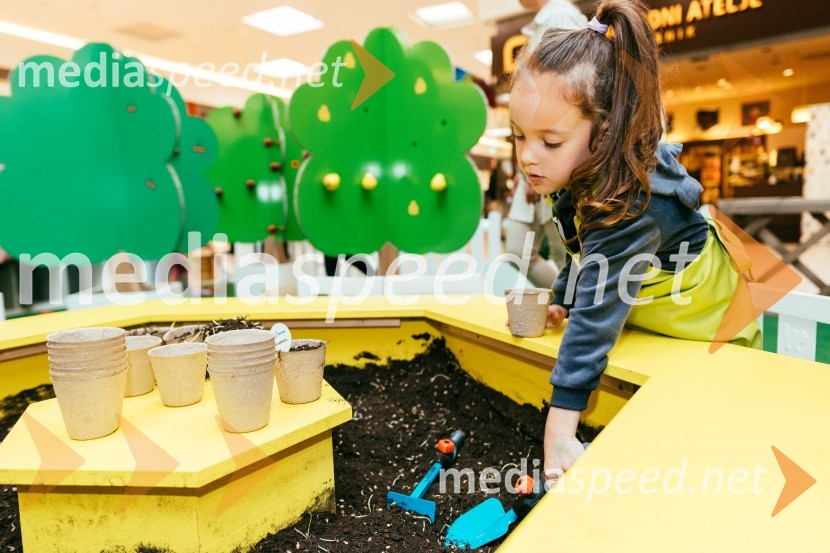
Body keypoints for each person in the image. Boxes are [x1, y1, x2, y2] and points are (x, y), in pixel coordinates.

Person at [508, 0, 761, 486]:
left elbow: (597, 317)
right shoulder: (581, 174)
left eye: (550, 141)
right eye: (518, 136)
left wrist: (560, 426)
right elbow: (581, 247)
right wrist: (562, 297)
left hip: (715, 334)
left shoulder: (633, 204)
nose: (528, 156)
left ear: (602, 133)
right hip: (666, 324)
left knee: (696, 459)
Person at [505, 0, 587, 288]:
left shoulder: (559, 15)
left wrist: (539, 155)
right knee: (525, 251)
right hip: (542, 155)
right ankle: (563, 302)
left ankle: (570, 308)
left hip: (554, 163)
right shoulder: (551, 17)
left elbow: (562, 97)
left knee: (565, 251)